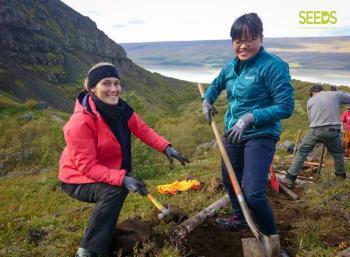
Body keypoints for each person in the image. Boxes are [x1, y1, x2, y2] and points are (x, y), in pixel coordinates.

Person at [59, 62, 189, 257]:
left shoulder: (121, 109)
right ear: (92, 88)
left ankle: (104, 233)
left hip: (102, 171)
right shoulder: (79, 122)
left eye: (116, 83)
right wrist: (122, 178)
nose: (113, 89)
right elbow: (87, 167)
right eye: (106, 83)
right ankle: (88, 251)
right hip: (76, 178)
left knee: (119, 187)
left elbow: (142, 129)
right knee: (115, 189)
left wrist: (166, 147)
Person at [202, 13, 294, 236]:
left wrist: (250, 118)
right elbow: (216, 84)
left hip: (261, 134)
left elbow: (286, 107)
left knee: (253, 192)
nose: (243, 46)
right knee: (230, 179)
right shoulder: (231, 67)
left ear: (260, 38)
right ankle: (240, 218)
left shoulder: (273, 66)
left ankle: (271, 237)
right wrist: (207, 100)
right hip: (233, 133)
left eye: (249, 39)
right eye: (238, 40)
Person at [282, 84, 349, 187]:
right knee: (338, 154)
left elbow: (312, 121)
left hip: (316, 130)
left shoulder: (310, 101)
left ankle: (290, 178)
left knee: (302, 152)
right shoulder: (334, 94)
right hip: (334, 132)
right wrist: (339, 91)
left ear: (312, 93)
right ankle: (340, 179)